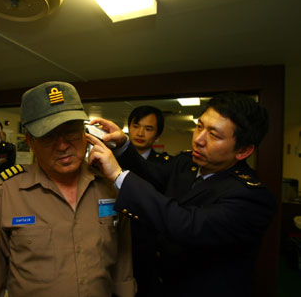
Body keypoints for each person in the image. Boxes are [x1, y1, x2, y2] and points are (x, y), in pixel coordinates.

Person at [87, 92, 277, 297]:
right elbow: (150, 174)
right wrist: (122, 144)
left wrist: (117, 175)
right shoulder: (187, 164)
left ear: (243, 150)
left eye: (214, 135)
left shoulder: (251, 197)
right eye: (199, 126)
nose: (199, 140)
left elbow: (187, 224)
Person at [0, 81, 136, 297]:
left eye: (70, 132)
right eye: (49, 136)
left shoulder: (109, 186)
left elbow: (123, 267)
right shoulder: (7, 192)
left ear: (85, 133)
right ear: (30, 142)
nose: (62, 145)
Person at [127, 105, 171, 296]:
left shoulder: (167, 166)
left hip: (149, 244)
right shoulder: (109, 159)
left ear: (157, 135)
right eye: (136, 126)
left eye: (148, 128)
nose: (140, 133)